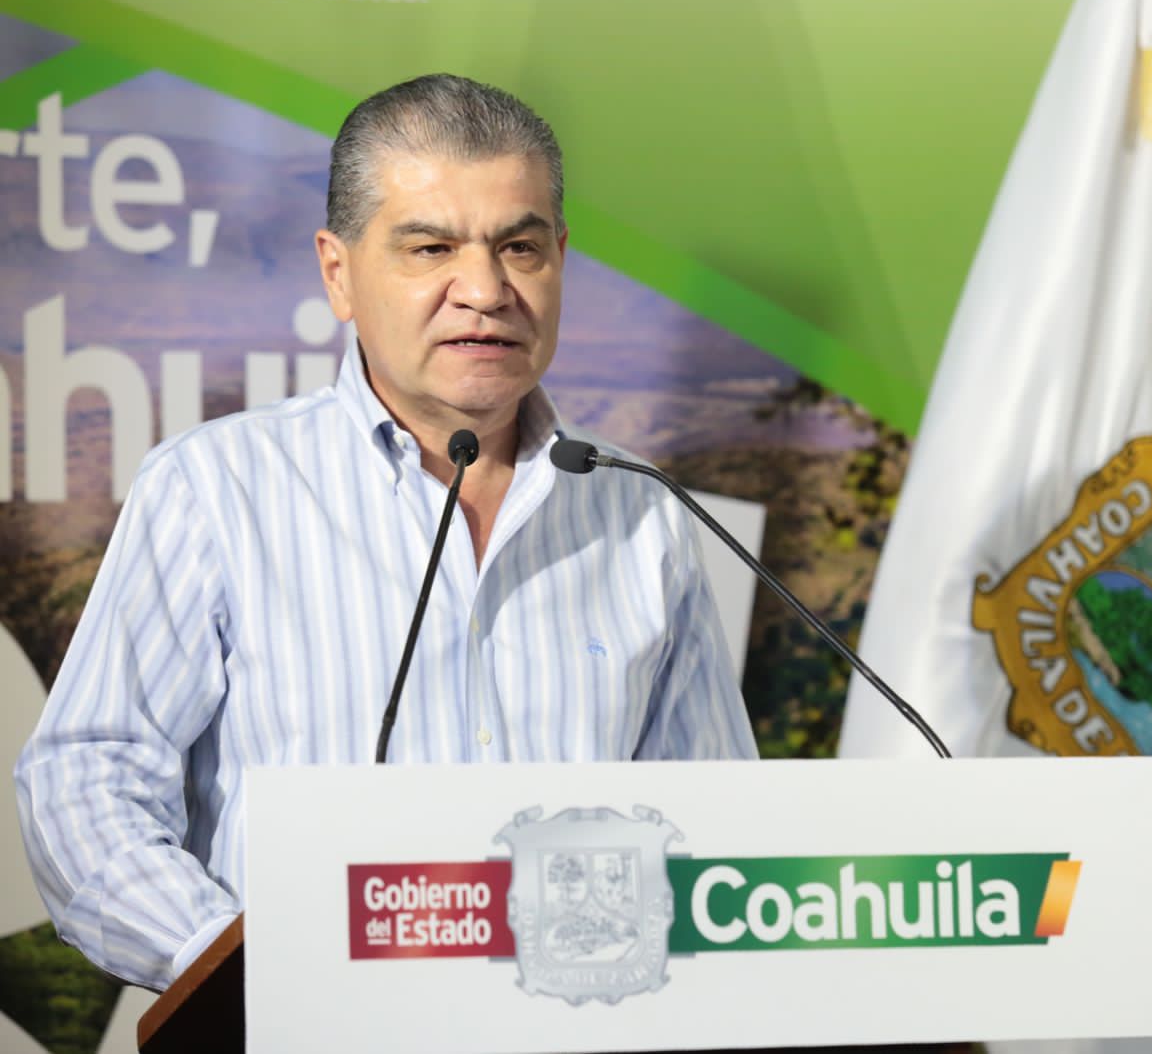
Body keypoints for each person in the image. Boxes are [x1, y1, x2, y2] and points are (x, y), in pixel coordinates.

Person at [13, 74, 758, 991]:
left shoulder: (640, 511)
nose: (484, 290)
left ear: (560, 259)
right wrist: (247, 968)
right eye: (431, 247)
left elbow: (720, 830)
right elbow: (86, 785)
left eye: (520, 247)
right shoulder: (215, 490)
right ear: (339, 272)